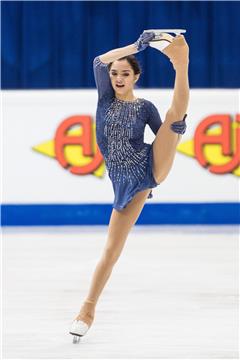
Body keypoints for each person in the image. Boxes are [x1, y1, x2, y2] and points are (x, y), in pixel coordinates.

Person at [69, 31, 189, 340]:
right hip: (124, 183)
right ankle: (88, 310)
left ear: (136, 76)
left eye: (125, 73)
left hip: (150, 167)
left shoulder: (145, 107)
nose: (119, 77)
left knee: (176, 114)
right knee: (111, 250)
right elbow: (99, 60)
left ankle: (181, 61)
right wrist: (136, 46)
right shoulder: (104, 99)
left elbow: (164, 132)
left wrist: (176, 132)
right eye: (115, 73)